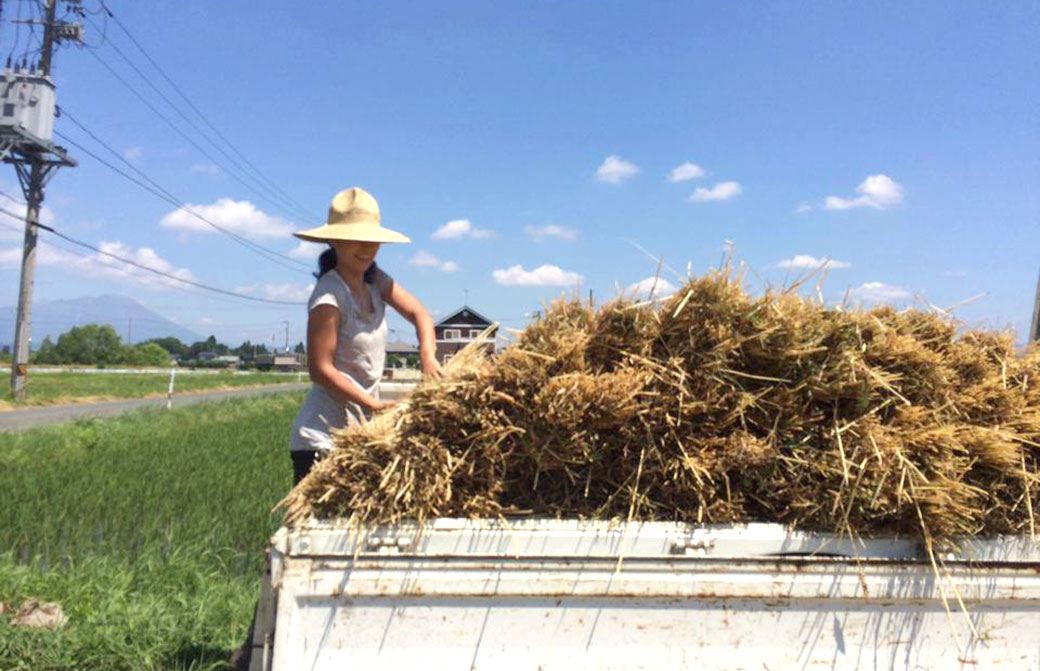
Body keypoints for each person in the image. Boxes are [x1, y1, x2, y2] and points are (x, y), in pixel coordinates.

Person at [288, 187, 442, 484]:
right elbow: (320, 370)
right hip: (322, 439)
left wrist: (427, 356)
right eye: (355, 239)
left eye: (372, 240)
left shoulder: (376, 280)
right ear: (334, 241)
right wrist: (372, 406)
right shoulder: (329, 296)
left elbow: (419, 313)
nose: (366, 248)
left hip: (358, 434)